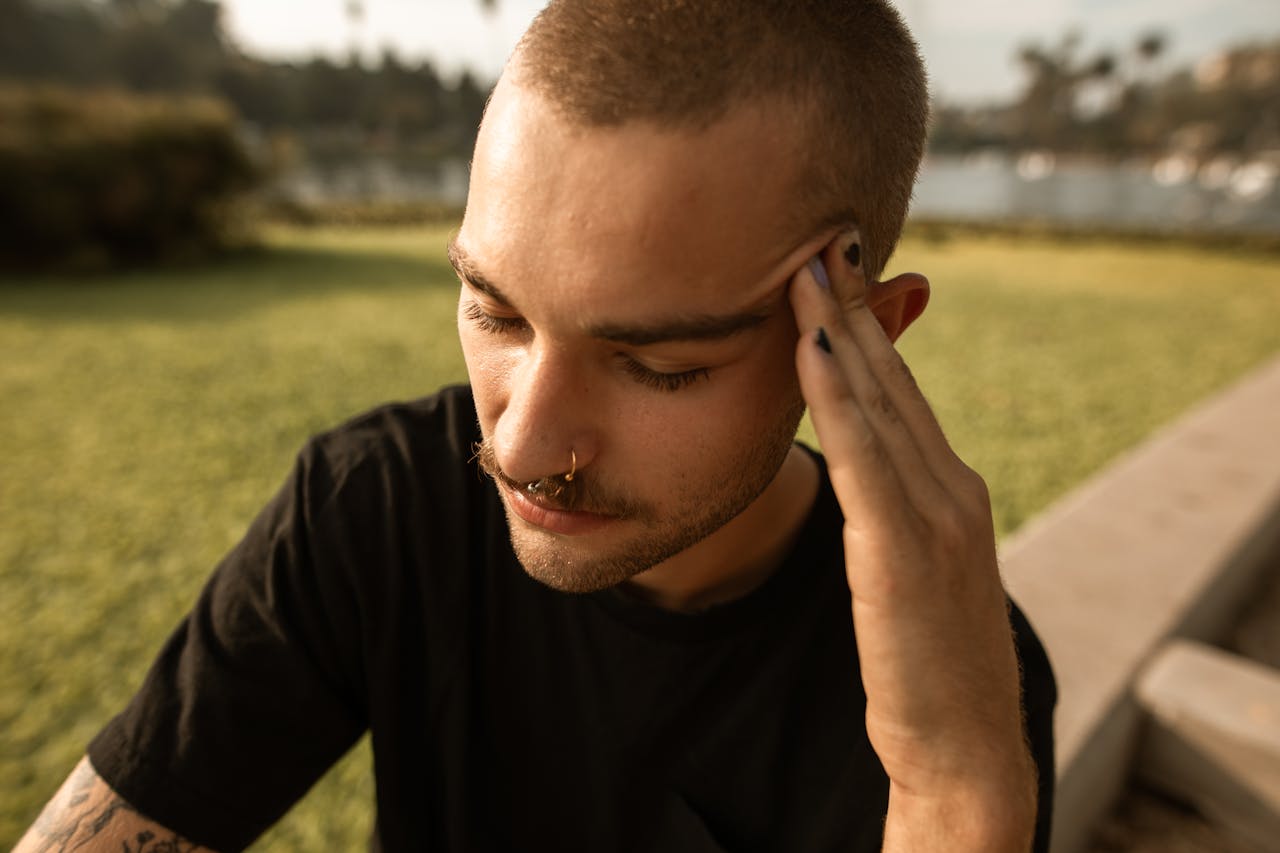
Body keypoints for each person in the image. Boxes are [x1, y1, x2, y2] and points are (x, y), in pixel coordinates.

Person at [17, 1, 1056, 851]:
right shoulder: (378, 507)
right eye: (494, 311)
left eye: (658, 366)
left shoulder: (946, 674)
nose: (515, 450)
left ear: (864, 334)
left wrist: (955, 792)